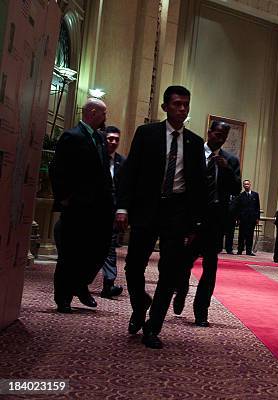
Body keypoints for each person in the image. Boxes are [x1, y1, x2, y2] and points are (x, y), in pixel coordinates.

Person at [116, 85, 205, 349]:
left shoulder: (194, 142)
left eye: (186, 104)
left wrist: (195, 223)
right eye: (177, 104)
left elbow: (198, 185)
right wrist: (122, 207)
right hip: (147, 208)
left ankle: (153, 328)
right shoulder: (147, 134)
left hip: (176, 212)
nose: (182, 109)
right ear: (165, 107)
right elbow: (130, 173)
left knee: (170, 273)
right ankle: (139, 304)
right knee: (133, 266)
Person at [173, 120, 241, 327]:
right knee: (184, 264)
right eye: (217, 134)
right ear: (209, 132)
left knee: (210, 268)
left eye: (224, 136)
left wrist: (227, 169)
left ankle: (201, 311)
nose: (219, 139)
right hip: (193, 219)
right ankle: (181, 291)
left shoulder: (230, 160)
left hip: (215, 222)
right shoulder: (193, 153)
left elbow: (236, 189)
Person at [50, 98, 114, 313]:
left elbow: (104, 172)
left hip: (99, 207)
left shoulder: (100, 138)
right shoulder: (72, 136)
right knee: (70, 253)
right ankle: (63, 297)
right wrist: (63, 197)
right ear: (92, 112)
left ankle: (80, 283)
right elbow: (58, 169)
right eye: (103, 113)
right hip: (77, 205)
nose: (106, 117)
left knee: (99, 249)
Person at [99, 125, 125, 299]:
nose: (114, 142)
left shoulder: (122, 162)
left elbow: (125, 188)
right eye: (110, 138)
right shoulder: (96, 158)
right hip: (94, 210)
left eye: (116, 139)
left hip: (113, 212)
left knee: (110, 248)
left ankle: (108, 284)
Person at [236, 179, 260, 256]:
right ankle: (240, 250)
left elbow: (257, 207)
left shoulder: (255, 195)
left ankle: (248, 251)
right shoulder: (241, 195)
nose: (246, 185)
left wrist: (257, 218)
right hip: (243, 219)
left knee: (250, 235)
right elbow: (238, 208)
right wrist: (238, 219)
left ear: (250, 185)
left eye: (247, 184)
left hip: (252, 219)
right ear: (243, 186)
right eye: (245, 184)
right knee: (241, 235)